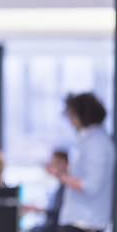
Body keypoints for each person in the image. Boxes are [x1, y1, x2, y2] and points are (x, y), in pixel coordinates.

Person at [58, 92, 115, 232]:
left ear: (83, 116)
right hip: (78, 220)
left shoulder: (97, 145)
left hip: (86, 223)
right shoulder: (87, 141)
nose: (70, 121)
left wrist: (62, 176)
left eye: (72, 116)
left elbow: (91, 185)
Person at [23, 150, 68, 232]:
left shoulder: (67, 186)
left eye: (53, 164)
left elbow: (55, 213)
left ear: (63, 164)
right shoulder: (61, 185)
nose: (49, 166)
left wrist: (36, 209)